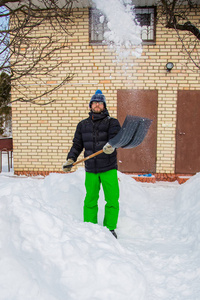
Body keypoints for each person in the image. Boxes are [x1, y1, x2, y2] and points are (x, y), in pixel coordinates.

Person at [62, 90, 121, 238]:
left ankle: (110, 229)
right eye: (94, 102)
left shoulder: (112, 123)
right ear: (90, 105)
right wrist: (71, 159)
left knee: (112, 199)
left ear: (104, 105)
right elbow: (77, 145)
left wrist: (111, 145)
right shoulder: (82, 125)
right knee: (90, 199)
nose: (97, 105)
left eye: (100, 103)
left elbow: (116, 139)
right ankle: (90, 227)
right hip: (91, 169)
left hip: (108, 168)